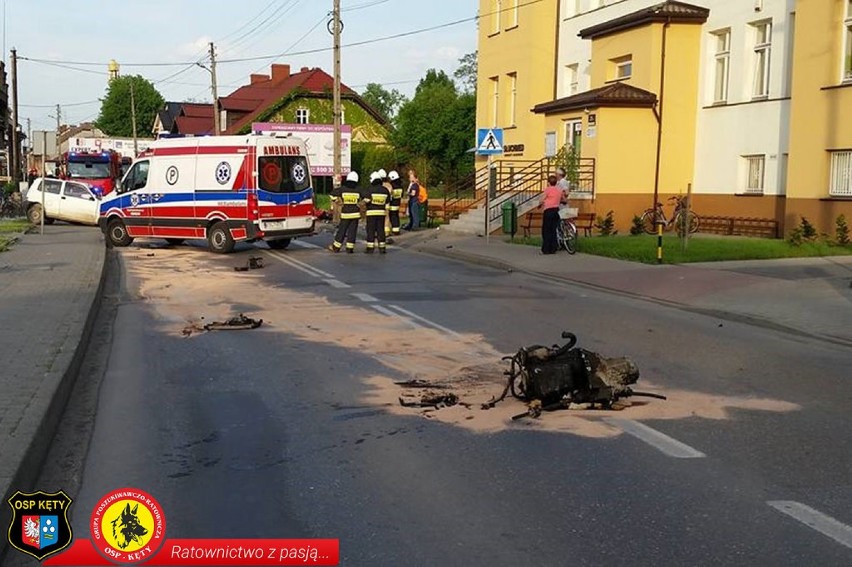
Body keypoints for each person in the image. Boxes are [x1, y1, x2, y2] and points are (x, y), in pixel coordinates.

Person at [328, 171, 363, 253]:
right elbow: (367, 197)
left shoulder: (343, 189)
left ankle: (336, 247)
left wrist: (338, 202)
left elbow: (332, 194)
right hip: (355, 214)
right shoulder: (359, 189)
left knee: (342, 230)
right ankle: (350, 248)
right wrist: (360, 204)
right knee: (352, 231)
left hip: (345, 214)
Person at [539, 174, 566, 254]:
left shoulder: (547, 190)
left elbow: (542, 199)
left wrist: (540, 204)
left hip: (548, 211)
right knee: (553, 230)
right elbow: (564, 200)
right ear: (556, 182)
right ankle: (553, 248)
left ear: (548, 183)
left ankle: (546, 249)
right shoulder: (559, 190)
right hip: (556, 211)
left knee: (546, 230)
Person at [364, 171, 391, 254]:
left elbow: (366, 200)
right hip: (381, 213)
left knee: (371, 230)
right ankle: (382, 248)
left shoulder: (369, 189)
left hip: (371, 213)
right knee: (380, 230)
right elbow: (387, 201)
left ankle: (370, 248)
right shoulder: (385, 190)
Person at [386, 170, 404, 239]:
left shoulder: (391, 186)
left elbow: (389, 195)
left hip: (392, 204)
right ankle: (396, 230)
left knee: (391, 217)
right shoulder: (400, 187)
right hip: (397, 204)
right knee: (396, 217)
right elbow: (401, 195)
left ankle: (392, 230)